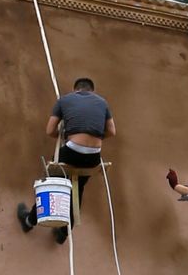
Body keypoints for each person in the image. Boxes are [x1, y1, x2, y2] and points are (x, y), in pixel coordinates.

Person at [17, 78, 116, 244]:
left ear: (75, 89)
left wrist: (65, 135)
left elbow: (50, 131)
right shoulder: (102, 102)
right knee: (78, 189)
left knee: (54, 184)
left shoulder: (64, 100)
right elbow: (112, 132)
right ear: (92, 91)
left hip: (71, 152)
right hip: (93, 156)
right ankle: (63, 233)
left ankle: (29, 221)